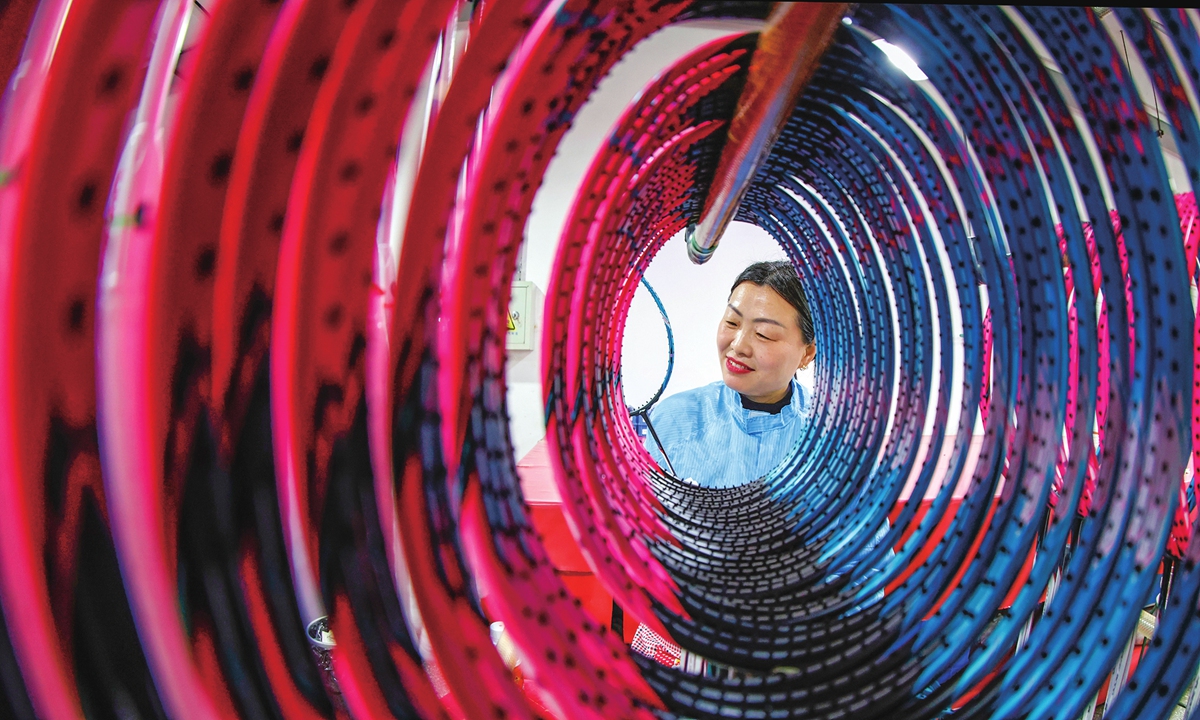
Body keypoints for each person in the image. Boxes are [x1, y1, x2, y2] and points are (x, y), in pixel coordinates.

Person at [643, 260, 816, 488]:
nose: (739, 345)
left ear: (807, 353)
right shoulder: (673, 420)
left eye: (764, 334)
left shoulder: (836, 440)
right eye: (732, 322)